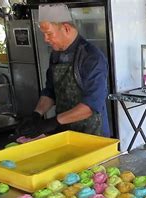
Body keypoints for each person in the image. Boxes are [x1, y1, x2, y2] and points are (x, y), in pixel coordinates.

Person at [17, 3, 110, 138]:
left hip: (92, 135)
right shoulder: (56, 55)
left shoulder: (92, 57)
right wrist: (37, 115)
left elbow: (91, 105)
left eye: (49, 33)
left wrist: (52, 122)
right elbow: (50, 91)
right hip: (65, 134)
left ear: (66, 28)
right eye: (44, 34)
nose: (45, 39)